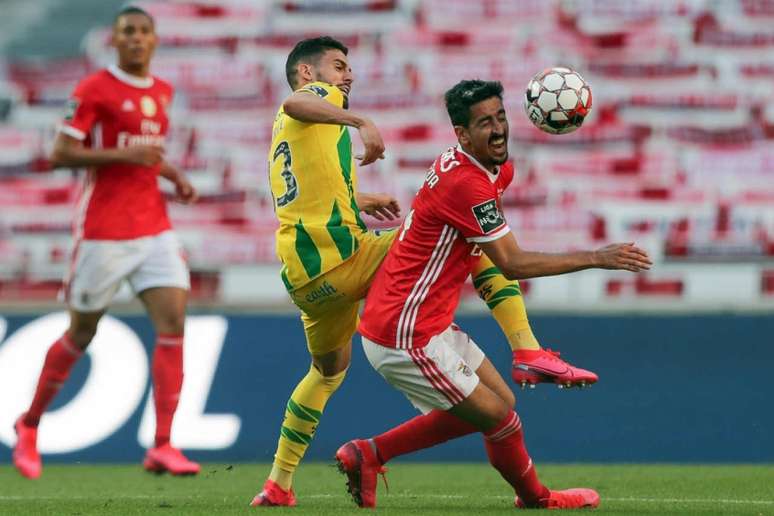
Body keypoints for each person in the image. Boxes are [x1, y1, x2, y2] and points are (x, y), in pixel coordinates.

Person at [253, 36, 598, 507]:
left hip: (304, 278)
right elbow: (297, 100)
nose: (346, 76)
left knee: (327, 374)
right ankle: (527, 349)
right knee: (468, 239)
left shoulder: (292, 139)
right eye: (338, 66)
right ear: (310, 73)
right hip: (344, 259)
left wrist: (361, 200)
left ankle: (278, 483)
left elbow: (307, 196)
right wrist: (361, 120)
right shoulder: (316, 97)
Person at [335, 79, 652, 509]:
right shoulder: (466, 182)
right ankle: (537, 498)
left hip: (426, 322)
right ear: (462, 135)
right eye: (485, 123)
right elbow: (510, 263)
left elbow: (484, 252)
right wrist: (597, 256)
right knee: (501, 420)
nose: (499, 129)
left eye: (501, 117)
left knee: (498, 405)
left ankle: (368, 454)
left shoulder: (494, 169)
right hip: (402, 334)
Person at [12, 6, 200, 479]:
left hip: (154, 226)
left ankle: (162, 444)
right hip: (104, 231)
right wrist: (124, 153)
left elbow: (148, 156)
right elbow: (59, 154)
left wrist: (173, 174)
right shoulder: (93, 89)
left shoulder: (162, 90)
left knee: (174, 322)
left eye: (143, 31)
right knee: (82, 332)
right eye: (127, 32)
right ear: (114, 41)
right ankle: (30, 423)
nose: (136, 39)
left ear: (155, 40)